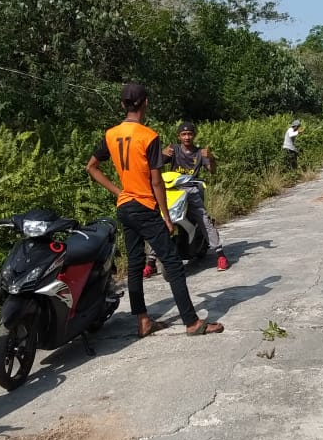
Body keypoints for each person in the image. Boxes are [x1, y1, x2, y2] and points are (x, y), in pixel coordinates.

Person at [87, 83, 224, 337]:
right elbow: (157, 181)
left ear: (122, 105)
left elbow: (92, 167)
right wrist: (166, 215)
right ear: (146, 104)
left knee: (136, 263)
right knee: (172, 262)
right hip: (145, 205)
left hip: (125, 207)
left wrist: (119, 192)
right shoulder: (149, 137)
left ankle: (143, 321)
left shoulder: (111, 134)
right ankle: (192, 323)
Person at [145, 121, 230, 273]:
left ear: (194, 135)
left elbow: (212, 170)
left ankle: (220, 254)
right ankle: (151, 262)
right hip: (172, 190)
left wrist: (210, 158)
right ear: (179, 136)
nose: (187, 137)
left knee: (202, 218)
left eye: (189, 134)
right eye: (183, 134)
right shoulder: (174, 150)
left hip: (192, 190)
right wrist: (162, 154)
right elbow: (155, 165)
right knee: (162, 219)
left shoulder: (200, 152)